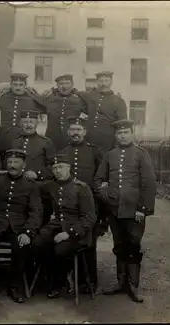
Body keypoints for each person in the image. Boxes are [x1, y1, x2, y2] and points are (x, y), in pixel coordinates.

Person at [94, 119, 157, 303]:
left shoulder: (141, 154)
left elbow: (149, 183)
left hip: (135, 211)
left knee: (133, 244)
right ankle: (121, 283)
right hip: (115, 211)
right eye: (119, 133)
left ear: (132, 133)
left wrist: (142, 209)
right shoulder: (109, 155)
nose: (122, 136)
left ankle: (133, 286)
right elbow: (98, 181)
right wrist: (107, 196)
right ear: (115, 135)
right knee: (119, 245)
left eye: (126, 132)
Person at [0, 149, 43, 303]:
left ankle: (14, 287)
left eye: (16, 162)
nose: (12, 165)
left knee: (21, 248)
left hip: (19, 227)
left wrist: (28, 232)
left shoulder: (31, 185)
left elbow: (36, 211)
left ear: (23, 164)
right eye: (10, 162)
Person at [34, 154, 97, 298]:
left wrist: (69, 233)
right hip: (56, 226)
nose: (57, 171)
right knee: (38, 243)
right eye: (54, 168)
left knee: (61, 250)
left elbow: (90, 217)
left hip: (77, 232)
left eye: (60, 167)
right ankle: (54, 279)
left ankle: (59, 282)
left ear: (68, 167)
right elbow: (32, 185)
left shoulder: (81, 187)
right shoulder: (51, 185)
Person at [58, 115, 106, 292]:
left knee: (89, 243)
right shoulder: (63, 152)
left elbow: (102, 177)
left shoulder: (94, 151)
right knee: (69, 241)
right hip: (69, 206)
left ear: (84, 132)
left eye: (79, 130)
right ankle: (68, 280)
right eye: (72, 130)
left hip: (89, 205)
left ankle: (88, 282)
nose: (75, 133)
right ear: (68, 132)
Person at [0, 73, 46, 162]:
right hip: (4, 138)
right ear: (11, 85)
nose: (18, 87)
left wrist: (36, 94)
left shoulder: (31, 100)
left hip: (22, 138)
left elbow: (46, 107)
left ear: (25, 86)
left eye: (21, 85)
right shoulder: (3, 97)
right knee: (2, 161)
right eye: (15, 84)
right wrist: (2, 88)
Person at [78, 71, 128, 153]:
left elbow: (122, 124)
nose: (103, 83)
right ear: (97, 82)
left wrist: (117, 143)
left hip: (108, 140)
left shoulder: (118, 101)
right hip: (89, 138)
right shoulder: (89, 96)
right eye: (101, 81)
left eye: (106, 80)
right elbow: (76, 94)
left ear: (111, 82)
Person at [40, 74, 88, 150]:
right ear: (57, 85)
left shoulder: (79, 100)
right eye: (61, 84)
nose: (64, 87)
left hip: (70, 138)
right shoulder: (49, 98)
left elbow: (90, 113)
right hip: (52, 138)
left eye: (67, 83)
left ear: (72, 85)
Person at [9, 110, 56, 183]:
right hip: (17, 184)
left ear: (37, 124)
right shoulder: (14, 141)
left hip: (36, 184)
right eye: (25, 122)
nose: (28, 125)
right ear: (21, 124)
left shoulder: (46, 142)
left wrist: (38, 174)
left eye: (31, 122)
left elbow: (53, 166)